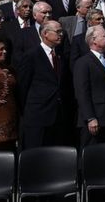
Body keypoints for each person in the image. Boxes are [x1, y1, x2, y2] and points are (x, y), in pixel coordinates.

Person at [16, 20, 74, 150]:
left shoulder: (60, 55)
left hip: (59, 115)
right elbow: (23, 86)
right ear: (45, 34)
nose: (61, 35)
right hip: (38, 116)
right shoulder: (31, 55)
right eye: (58, 32)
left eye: (62, 32)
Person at [73, 25, 105, 148]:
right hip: (95, 120)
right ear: (93, 40)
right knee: (91, 157)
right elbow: (82, 92)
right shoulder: (83, 62)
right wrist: (90, 117)